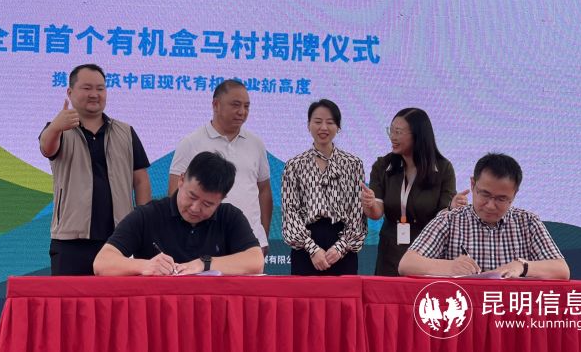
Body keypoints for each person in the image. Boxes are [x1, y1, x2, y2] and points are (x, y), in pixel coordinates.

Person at [39, 63, 152, 275]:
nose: (94, 94)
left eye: (100, 88)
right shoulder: (59, 130)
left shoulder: (125, 131)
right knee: (69, 297)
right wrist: (55, 127)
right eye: (87, 88)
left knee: (116, 297)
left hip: (118, 240)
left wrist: (143, 222)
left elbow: (140, 180)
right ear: (70, 92)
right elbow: (47, 147)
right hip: (71, 240)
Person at [398, 153, 570, 279]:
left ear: (514, 195)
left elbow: (562, 270)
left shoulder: (528, 222)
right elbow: (407, 264)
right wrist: (450, 267)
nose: (490, 205)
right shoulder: (449, 220)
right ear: (473, 185)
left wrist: (522, 266)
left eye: (501, 199)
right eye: (485, 194)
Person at [94, 151, 264, 276]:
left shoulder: (230, 217)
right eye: (192, 196)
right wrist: (145, 266)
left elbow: (256, 261)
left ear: (222, 199)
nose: (195, 208)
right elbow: (102, 263)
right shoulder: (148, 215)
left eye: (208, 204)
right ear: (181, 180)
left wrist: (205, 263)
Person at [168, 79, 273, 252]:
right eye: (235, 105)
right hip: (204, 241)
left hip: (250, 241)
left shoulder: (256, 144)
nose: (242, 112)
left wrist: (263, 236)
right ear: (216, 105)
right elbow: (175, 192)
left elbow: (264, 190)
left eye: (246, 106)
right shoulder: (191, 142)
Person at [361, 108, 464, 276]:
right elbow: (376, 213)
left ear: (418, 135)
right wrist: (370, 203)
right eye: (391, 131)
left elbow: (443, 217)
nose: (392, 137)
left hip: (427, 251)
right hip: (390, 250)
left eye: (398, 132)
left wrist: (451, 208)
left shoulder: (443, 168)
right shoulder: (383, 165)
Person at [282, 99, 367, 275]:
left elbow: (357, 213)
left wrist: (340, 247)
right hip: (305, 248)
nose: (323, 127)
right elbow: (290, 212)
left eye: (330, 122)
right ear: (308, 125)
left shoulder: (353, 164)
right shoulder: (294, 165)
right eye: (318, 121)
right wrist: (312, 249)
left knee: (343, 294)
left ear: (338, 127)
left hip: (343, 248)